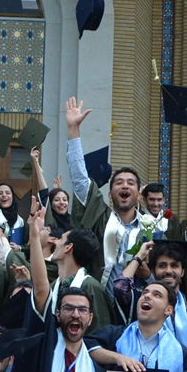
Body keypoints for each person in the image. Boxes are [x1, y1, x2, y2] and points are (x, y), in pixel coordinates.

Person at [62, 97, 156, 284]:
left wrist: (148, 276)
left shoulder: (153, 228)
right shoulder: (100, 218)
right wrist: (73, 130)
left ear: (139, 194)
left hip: (139, 299)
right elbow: (80, 180)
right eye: (119, 182)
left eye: (131, 183)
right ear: (110, 194)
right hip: (99, 297)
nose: (124, 186)